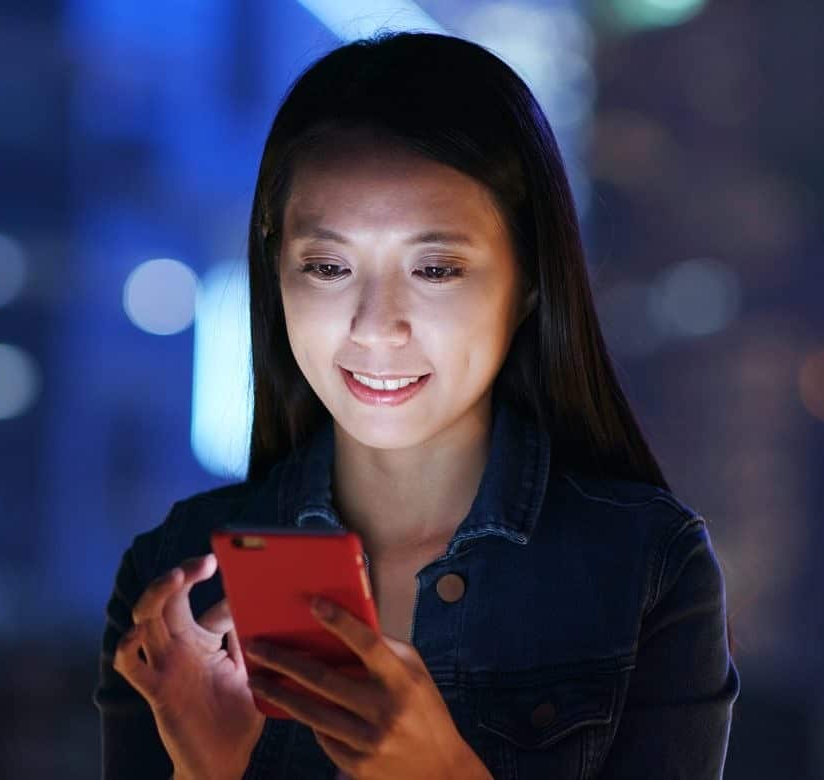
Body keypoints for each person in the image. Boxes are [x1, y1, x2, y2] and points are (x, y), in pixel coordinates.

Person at [93, 30, 740, 780]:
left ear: (529, 280)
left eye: (434, 268)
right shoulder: (180, 578)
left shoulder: (644, 570)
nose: (375, 325)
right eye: (328, 266)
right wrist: (207, 770)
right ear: (276, 276)